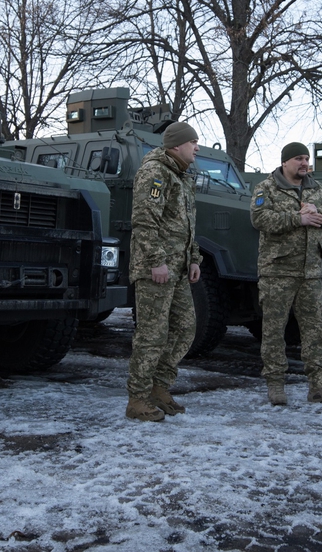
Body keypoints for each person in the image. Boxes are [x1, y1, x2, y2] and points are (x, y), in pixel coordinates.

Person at [250, 142, 322, 407]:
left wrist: (319, 212)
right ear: (285, 162)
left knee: (315, 332)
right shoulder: (266, 188)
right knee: (273, 331)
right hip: (277, 273)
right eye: (298, 158)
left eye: (306, 158)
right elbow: (259, 219)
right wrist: (298, 218)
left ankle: (319, 387)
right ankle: (275, 384)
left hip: (311, 273)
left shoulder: (317, 188)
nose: (304, 163)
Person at [125, 122, 202, 422]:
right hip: (155, 269)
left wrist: (194, 259)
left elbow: (188, 226)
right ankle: (138, 399)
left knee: (185, 328)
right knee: (152, 335)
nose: (197, 147)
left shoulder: (181, 176)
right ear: (175, 146)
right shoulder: (155, 173)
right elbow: (144, 221)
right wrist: (157, 261)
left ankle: (159, 387)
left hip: (178, 269)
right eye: (192, 142)